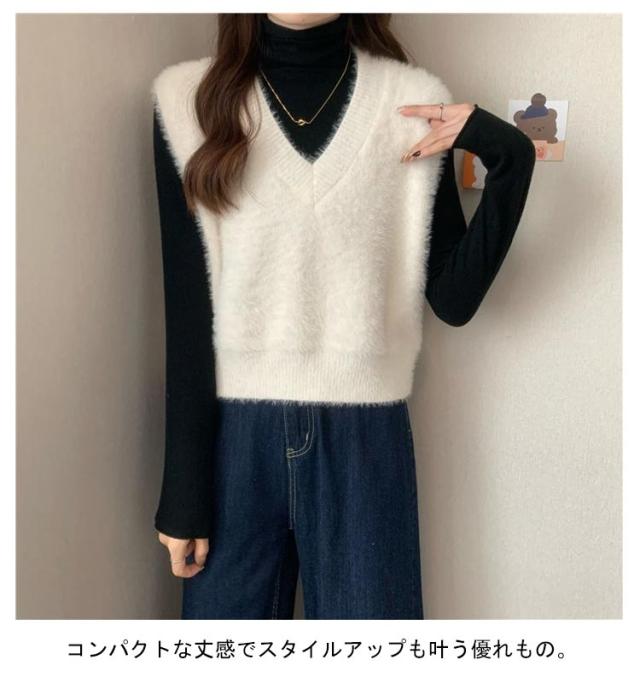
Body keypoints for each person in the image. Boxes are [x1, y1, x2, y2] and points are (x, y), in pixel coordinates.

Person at [150, 13, 536, 620]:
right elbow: (187, 308)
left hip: (366, 442)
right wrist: (183, 490)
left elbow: (454, 300)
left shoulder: (410, 102)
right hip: (232, 447)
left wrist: (510, 155)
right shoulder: (185, 102)